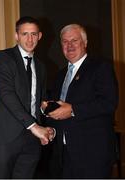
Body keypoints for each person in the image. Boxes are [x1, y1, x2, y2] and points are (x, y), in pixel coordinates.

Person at [42, 23, 119, 178]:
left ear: (85, 43)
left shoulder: (100, 67)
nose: (69, 45)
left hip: (93, 154)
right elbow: (59, 109)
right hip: (63, 154)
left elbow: (108, 103)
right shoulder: (60, 75)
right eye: (65, 41)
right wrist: (48, 118)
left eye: (74, 40)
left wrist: (73, 110)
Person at [0, 16, 55, 179]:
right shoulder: (3, 58)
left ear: (40, 36)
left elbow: (39, 101)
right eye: (25, 34)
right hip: (4, 137)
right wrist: (35, 127)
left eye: (34, 34)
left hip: (32, 141)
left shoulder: (42, 66)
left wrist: (46, 117)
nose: (30, 39)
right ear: (16, 36)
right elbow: (6, 95)